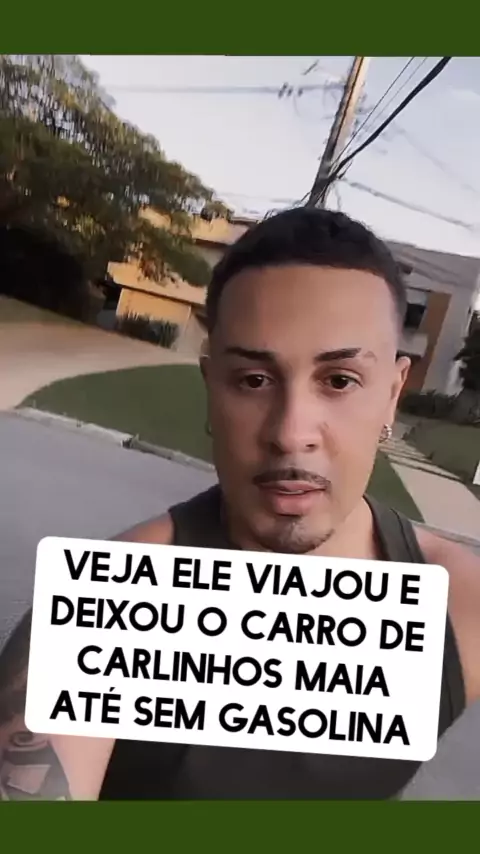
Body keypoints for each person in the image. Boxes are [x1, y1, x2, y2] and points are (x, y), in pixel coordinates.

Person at [1, 208, 479, 800]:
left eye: (339, 380)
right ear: (211, 387)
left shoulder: (460, 604)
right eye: (253, 380)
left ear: (392, 394)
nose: (290, 433)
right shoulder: (102, 609)